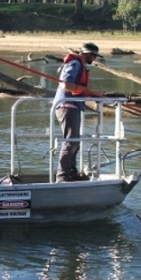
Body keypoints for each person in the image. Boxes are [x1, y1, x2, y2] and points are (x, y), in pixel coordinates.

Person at [53, 42, 102, 182]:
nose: (95, 59)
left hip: (73, 106)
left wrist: (87, 92)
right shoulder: (75, 64)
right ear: (88, 54)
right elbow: (66, 84)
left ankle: (71, 172)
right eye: (94, 56)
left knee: (75, 141)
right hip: (67, 106)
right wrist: (84, 90)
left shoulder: (80, 65)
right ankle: (62, 175)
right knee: (71, 141)